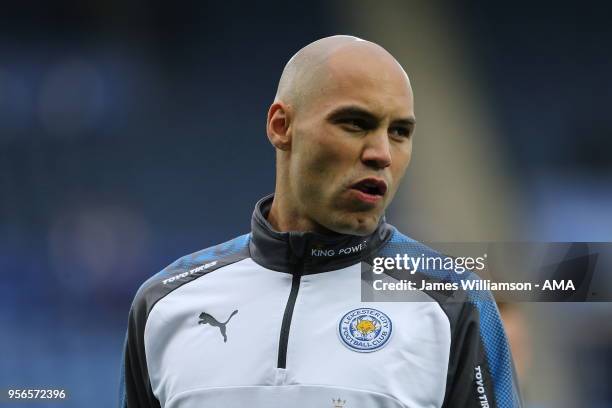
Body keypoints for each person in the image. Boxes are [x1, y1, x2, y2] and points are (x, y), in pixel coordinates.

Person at [119, 35, 522, 408]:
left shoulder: (453, 302)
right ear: (281, 126)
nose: (381, 152)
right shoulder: (164, 304)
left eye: (399, 131)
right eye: (355, 124)